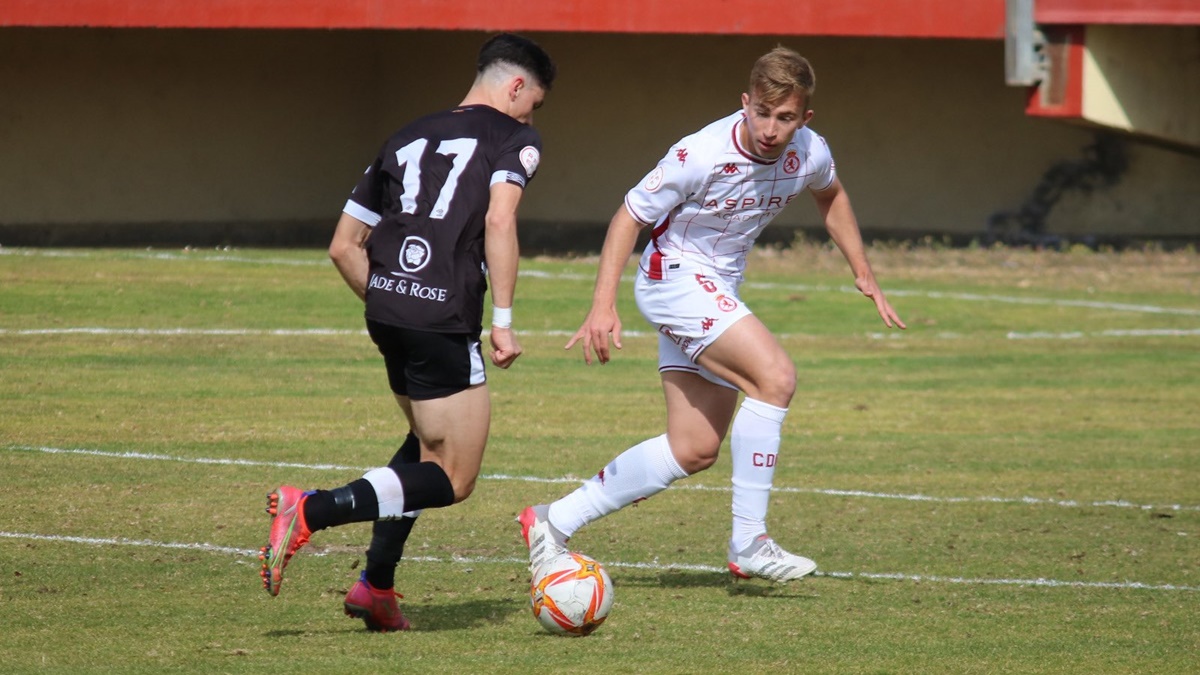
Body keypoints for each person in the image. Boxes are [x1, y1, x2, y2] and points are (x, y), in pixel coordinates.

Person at [519, 46, 904, 583]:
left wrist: (862, 270)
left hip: (715, 287)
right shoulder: (698, 153)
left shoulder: (810, 151)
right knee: (776, 378)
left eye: (786, 117)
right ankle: (750, 540)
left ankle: (550, 522)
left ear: (805, 118)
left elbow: (831, 195)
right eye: (762, 113)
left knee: (693, 448)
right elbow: (627, 218)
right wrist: (602, 305)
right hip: (674, 279)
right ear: (745, 103)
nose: (771, 128)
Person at [259, 33, 556, 631]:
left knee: (424, 447)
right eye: (534, 103)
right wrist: (502, 322)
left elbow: (343, 247)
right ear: (516, 86)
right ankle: (310, 510)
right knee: (454, 476)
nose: (532, 116)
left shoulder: (405, 136)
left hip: (388, 308)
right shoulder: (515, 139)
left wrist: (397, 299)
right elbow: (500, 218)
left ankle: (377, 587)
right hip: (443, 319)